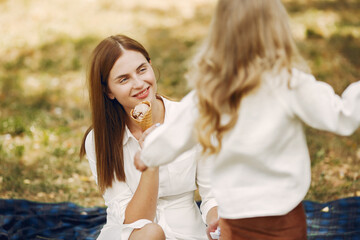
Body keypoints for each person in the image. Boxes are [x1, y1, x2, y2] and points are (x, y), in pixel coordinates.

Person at [134, 0, 360, 239]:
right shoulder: (290, 84)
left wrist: (148, 154)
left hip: (235, 215)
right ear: (278, 30)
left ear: (220, 36)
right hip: (283, 215)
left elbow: (175, 135)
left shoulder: (211, 92)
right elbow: (342, 116)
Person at [79, 34, 218, 240]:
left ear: (151, 66)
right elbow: (134, 221)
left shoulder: (191, 120)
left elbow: (212, 195)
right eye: (124, 79)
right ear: (109, 91)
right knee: (151, 234)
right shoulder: (99, 140)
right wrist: (150, 161)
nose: (139, 83)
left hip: (188, 233)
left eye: (142, 70)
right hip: (133, 234)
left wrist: (220, 223)